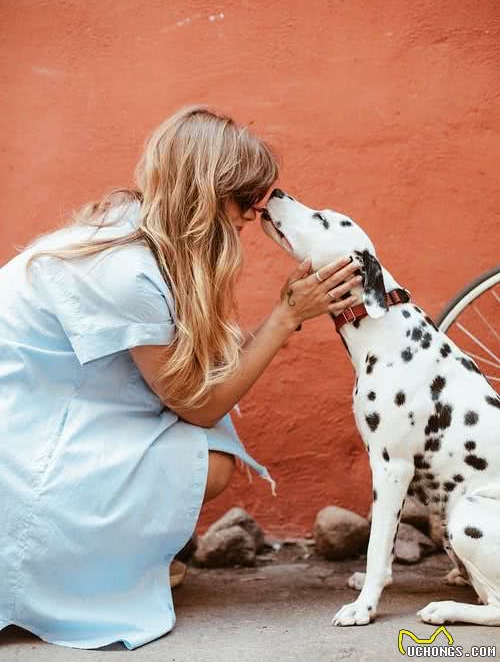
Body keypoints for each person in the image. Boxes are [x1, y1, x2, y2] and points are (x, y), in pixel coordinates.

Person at [0, 105, 361, 650]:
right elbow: (199, 404)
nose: (252, 215)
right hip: (22, 447)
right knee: (207, 456)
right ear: (207, 193)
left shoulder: (133, 229)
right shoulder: (126, 271)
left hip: (45, 415)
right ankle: (75, 572)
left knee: (200, 442)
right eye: (245, 200)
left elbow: (197, 359)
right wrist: (287, 315)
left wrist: (279, 317)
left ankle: (111, 561)